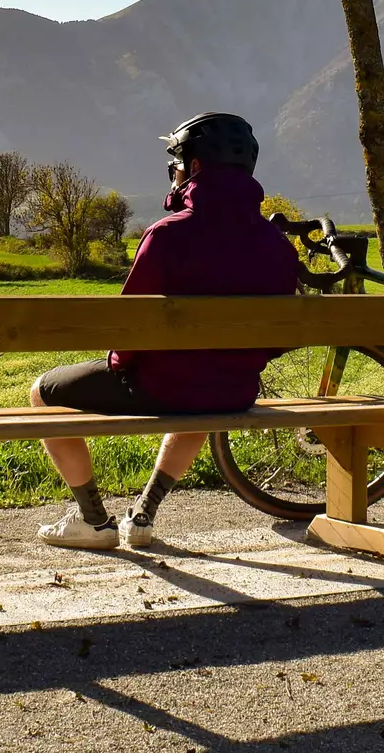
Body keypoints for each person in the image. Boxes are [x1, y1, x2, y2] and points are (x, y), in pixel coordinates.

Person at [33, 112, 300, 550]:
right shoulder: (276, 244)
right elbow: (281, 336)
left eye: (175, 162)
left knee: (42, 393)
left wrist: (119, 365)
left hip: (160, 387)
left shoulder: (167, 235)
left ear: (194, 167)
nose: (172, 172)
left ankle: (94, 521)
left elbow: (130, 328)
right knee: (205, 393)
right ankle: (143, 514)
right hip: (234, 391)